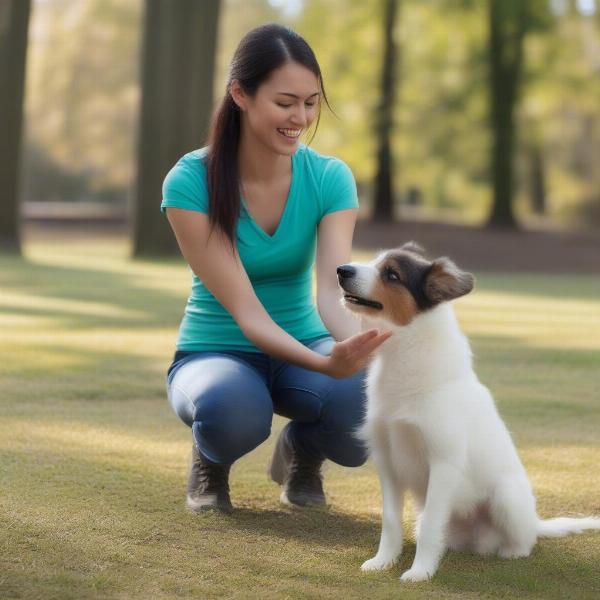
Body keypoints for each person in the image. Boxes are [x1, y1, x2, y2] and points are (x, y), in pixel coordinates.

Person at [161, 23, 392, 514]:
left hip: (303, 342)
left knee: (366, 414)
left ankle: (302, 453)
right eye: (285, 102)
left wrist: (357, 348)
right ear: (240, 94)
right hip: (216, 348)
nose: (300, 118)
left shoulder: (329, 177)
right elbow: (247, 313)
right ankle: (210, 457)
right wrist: (326, 364)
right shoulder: (189, 181)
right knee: (234, 412)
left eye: (311, 103)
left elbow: (332, 292)